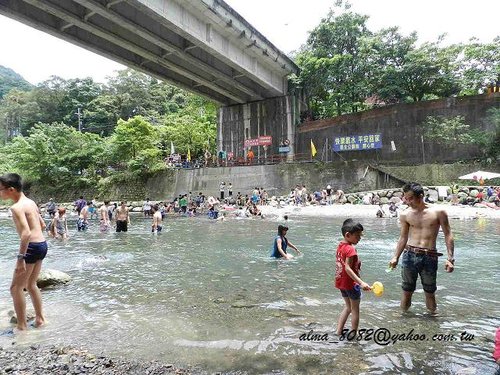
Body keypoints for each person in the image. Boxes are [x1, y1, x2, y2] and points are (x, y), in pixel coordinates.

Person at [389, 182, 454, 315]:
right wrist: (395, 256)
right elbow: (403, 238)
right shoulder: (405, 214)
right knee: (407, 291)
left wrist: (450, 258)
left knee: (430, 292)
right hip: (409, 255)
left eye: (410, 198)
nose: (407, 201)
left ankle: (433, 320)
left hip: (429, 256)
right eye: (406, 198)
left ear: (421, 196)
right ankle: (403, 318)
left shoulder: (438, 212)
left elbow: (448, 234)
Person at [0, 173, 47, 330]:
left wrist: (21, 258)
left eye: (1, 189)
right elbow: (42, 225)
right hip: (41, 244)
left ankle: (22, 326)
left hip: (31, 247)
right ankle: (40, 319)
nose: (0, 193)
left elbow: (26, 233)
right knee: (31, 284)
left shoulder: (16, 207)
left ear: (11, 189)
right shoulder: (31, 202)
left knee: (15, 288)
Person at [334, 219, 371, 335]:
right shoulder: (351, 249)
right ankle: (353, 334)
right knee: (355, 310)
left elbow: (344, 264)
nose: (359, 238)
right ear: (348, 235)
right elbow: (347, 268)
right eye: (357, 236)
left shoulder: (341, 246)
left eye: (360, 235)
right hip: (350, 284)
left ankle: (338, 331)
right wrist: (361, 283)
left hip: (341, 283)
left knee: (348, 307)